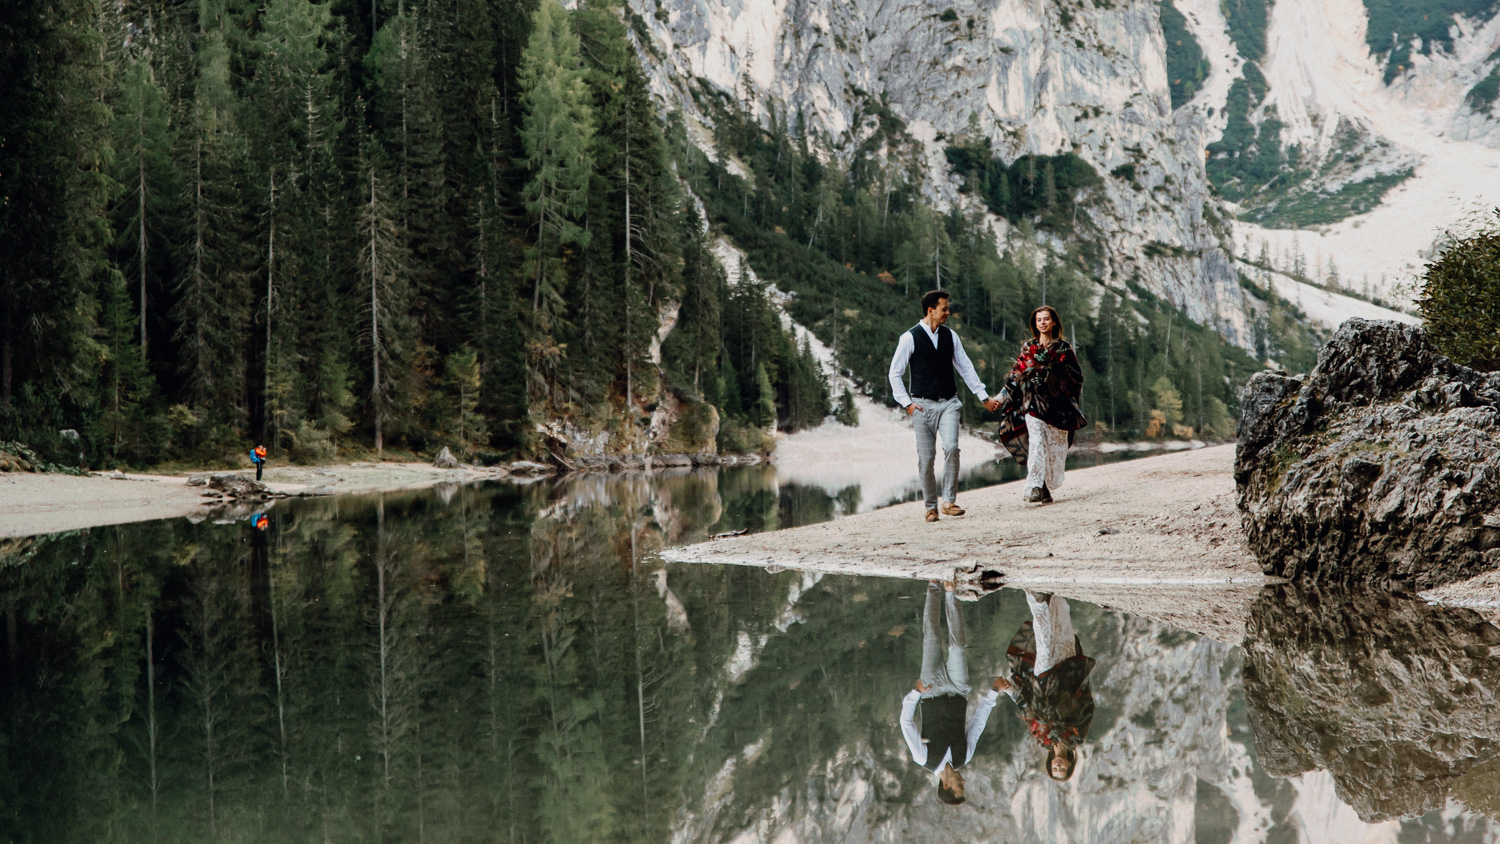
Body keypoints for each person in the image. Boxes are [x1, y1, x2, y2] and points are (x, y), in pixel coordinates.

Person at [888, 290, 1002, 522]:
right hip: (921, 405)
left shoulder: (951, 336)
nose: (948, 312)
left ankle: (949, 501)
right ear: (931, 310)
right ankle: (931, 507)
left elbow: (966, 367)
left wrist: (983, 397)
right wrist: (907, 404)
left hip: (949, 402)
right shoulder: (909, 338)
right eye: (944, 309)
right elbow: (894, 374)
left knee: (952, 448)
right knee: (926, 458)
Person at [899, 581, 1007, 805]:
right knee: (957, 647)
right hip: (958, 691)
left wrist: (915, 693)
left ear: (946, 785)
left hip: (929, 691)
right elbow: (977, 724)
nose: (964, 782)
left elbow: (906, 722)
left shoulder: (923, 758)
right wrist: (993, 692)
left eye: (959, 787)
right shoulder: (964, 757)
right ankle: (950, 592)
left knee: (931, 634)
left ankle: (933, 584)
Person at [994, 591, 1095, 783]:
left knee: (1044, 643)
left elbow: (1027, 710)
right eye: (1062, 768)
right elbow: (1088, 708)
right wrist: (1078, 686)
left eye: (1054, 769)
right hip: (1068, 674)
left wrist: (1009, 690)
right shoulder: (1077, 738)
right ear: (1070, 764)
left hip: (1044, 679)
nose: (1058, 766)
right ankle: (1054, 592)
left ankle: (1035, 598)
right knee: (1063, 625)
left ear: (1049, 764)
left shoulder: (1043, 740)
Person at [1001, 305, 1086, 504]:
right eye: (1039, 320)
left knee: (1054, 449)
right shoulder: (1029, 347)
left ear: (1054, 321)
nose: (1043, 323)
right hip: (1033, 405)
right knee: (1037, 443)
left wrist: (1052, 378)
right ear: (1035, 324)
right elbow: (1016, 374)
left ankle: (1045, 487)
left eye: (1046, 319)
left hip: (1057, 407)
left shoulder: (1063, 348)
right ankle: (1035, 487)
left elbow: (1076, 377)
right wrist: (1001, 397)